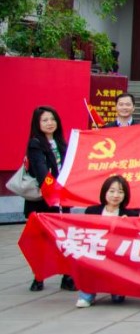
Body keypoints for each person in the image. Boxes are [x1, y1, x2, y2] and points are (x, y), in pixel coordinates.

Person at [25, 106, 74, 292]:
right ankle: (39, 276)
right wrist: (53, 190)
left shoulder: (62, 143)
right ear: (37, 123)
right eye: (45, 120)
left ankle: (67, 276)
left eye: (52, 119)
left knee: (63, 239)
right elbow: (41, 171)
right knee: (41, 241)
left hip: (62, 200)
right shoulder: (35, 143)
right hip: (42, 201)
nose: (49, 123)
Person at [75, 175, 136, 307]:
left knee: (118, 300)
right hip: (95, 252)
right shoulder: (92, 211)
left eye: (120, 192)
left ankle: (116, 289)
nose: (116, 195)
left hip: (117, 255)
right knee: (87, 262)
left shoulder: (130, 215)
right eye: (112, 191)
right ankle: (87, 295)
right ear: (105, 192)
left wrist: (128, 225)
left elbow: (134, 240)